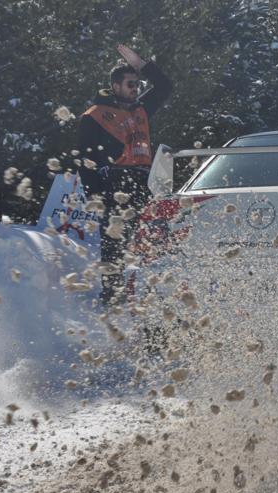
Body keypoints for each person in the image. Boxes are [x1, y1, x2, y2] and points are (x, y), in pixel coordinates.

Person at [77, 44, 172, 305]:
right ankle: (112, 298)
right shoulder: (94, 116)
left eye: (138, 84)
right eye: (131, 84)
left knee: (155, 236)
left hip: (143, 180)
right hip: (114, 183)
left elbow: (165, 87)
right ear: (115, 86)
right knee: (114, 245)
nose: (136, 88)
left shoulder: (141, 108)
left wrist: (141, 64)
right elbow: (85, 159)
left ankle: (153, 293)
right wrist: (94, 194)